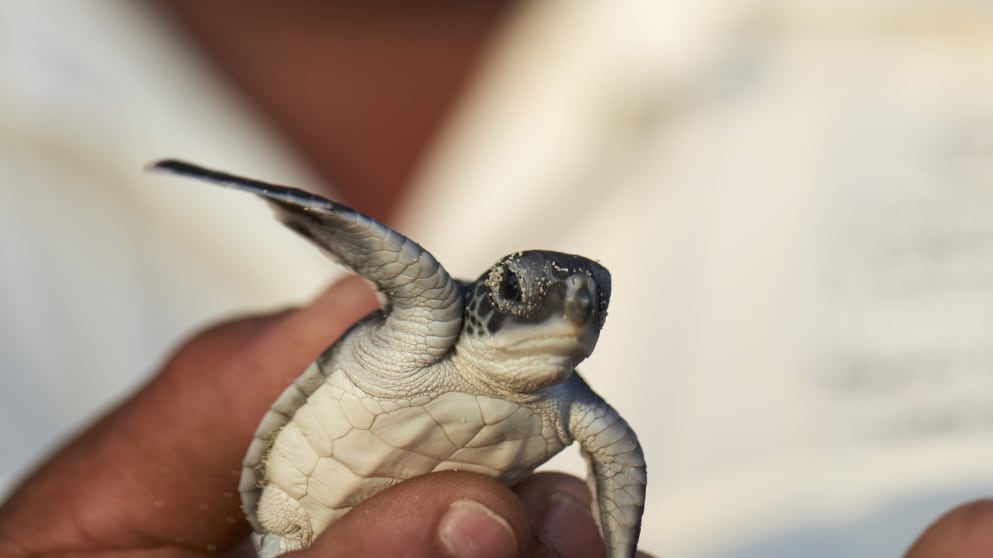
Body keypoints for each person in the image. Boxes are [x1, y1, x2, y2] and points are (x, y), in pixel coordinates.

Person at [2, 2, 993, 557]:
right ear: (479, 302)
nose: (563, 318)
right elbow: (385, 264)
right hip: (288, 516)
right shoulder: (423, 311)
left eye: (584, 307)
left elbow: (615, 498)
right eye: (533, 294)